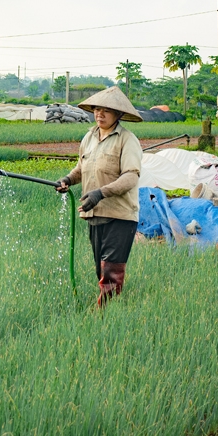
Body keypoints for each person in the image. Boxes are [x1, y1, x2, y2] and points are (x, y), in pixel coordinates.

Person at [54, 87, 143, 307]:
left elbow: (131, 177)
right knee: (100, 269)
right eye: (96, 109)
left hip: (119, 215)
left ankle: (104, 315)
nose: (100, 114)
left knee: (111, 272)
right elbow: (81, 168)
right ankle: (108, 311)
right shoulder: (89, 137)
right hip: (94, 213)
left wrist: (101, 193)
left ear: (119, 114)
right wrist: (67, 179)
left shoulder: (127, 140)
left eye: (106, 110)